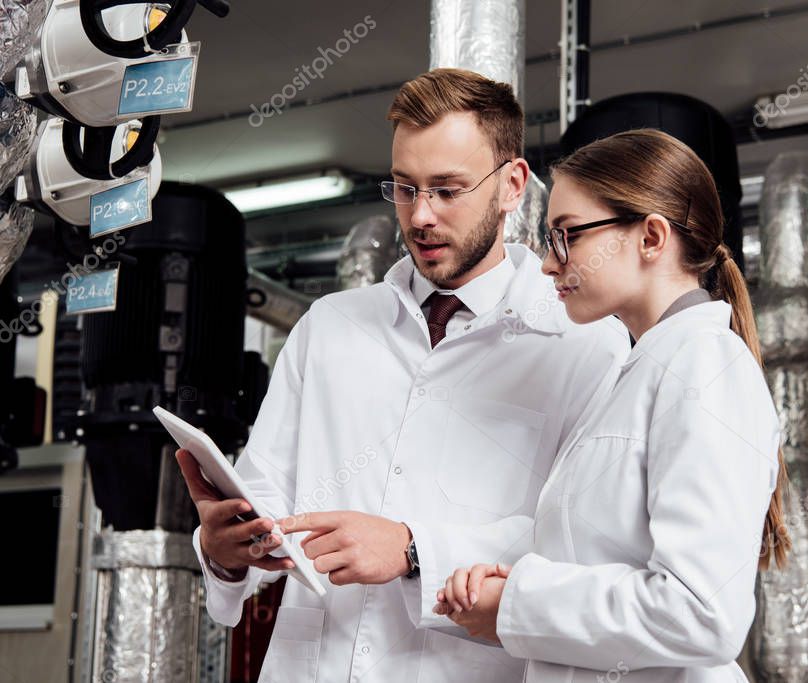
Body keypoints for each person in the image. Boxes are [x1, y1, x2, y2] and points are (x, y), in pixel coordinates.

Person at [175, 68, 630, 683]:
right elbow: (270, 501)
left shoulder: (583, 342)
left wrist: (416, 550)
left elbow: (588, 549)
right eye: (405, 187)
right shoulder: (330, 327)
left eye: (447, 189)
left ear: (512, 185)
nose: (420, 216)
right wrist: (229, 551)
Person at [434, 129, 790, 682]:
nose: (549, 266)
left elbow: (701, 613)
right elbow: (599, 559)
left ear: (651, 237)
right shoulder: (642, 370)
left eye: (566, 236)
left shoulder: (705, 366)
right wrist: (502, 584)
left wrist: (519, 603)